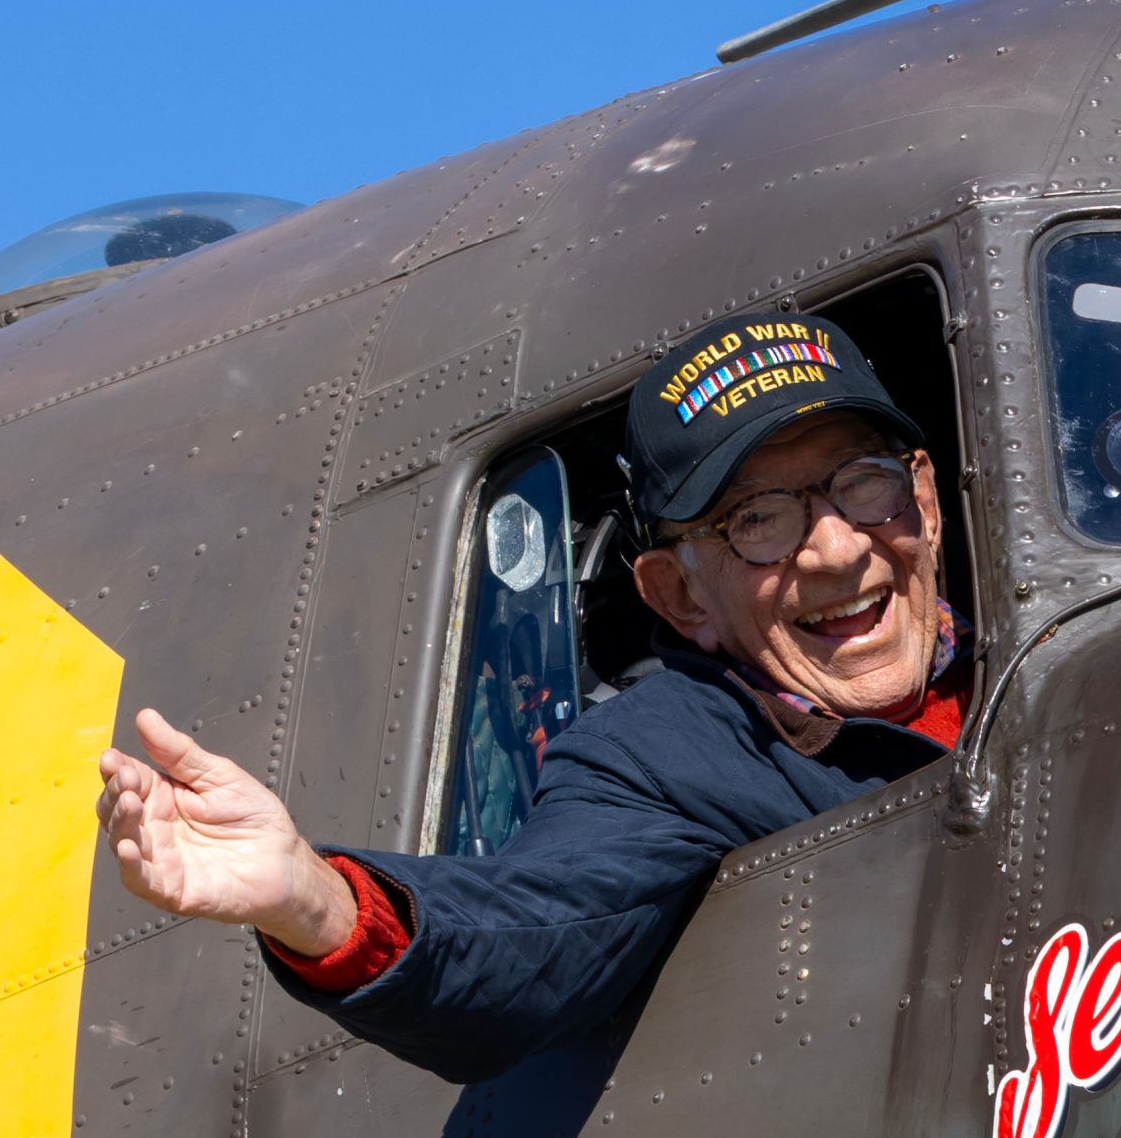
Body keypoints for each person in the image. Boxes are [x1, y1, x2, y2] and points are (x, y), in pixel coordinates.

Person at [95, 311, 969, 1082]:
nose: (834, 550)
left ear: (925, 499)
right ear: (681, 597)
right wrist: (313, 902)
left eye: (862, 484)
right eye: (760, 521)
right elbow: (535, 938)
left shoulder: (1053, 624)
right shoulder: (666, 756)